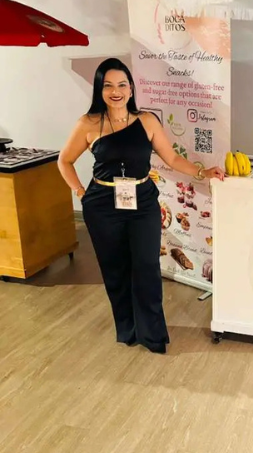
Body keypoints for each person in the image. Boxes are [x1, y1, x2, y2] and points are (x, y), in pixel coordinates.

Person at [58, 58, 224, 354]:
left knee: (147, 266)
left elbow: (172, 158)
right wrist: (81, 193)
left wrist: (202, 172)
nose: (116, 91)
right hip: (102, 205)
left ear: (131, 88)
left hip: (143, 202)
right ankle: (128, 329)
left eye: (122, 84)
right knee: (115, 268)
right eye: (108, 85)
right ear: (99, 90)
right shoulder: (88, 123)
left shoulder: (147, 121)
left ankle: (152, 334)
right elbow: (64, 161)